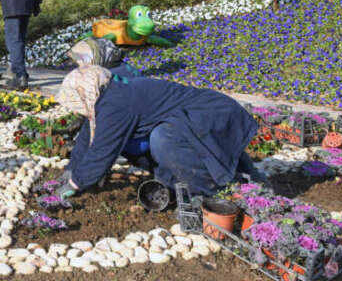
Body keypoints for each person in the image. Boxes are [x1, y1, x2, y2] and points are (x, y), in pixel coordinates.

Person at [52, 65, 263, 198]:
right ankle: (252, 182)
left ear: (85, 93)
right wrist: (72, 169)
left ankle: (216, 193)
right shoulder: (106, 93)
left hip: (213, 116)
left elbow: (102, 151)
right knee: (161, 138)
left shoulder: (115, 105)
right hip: (202, 116)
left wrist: (76, 183)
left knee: (164, 140)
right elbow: (90, 134)